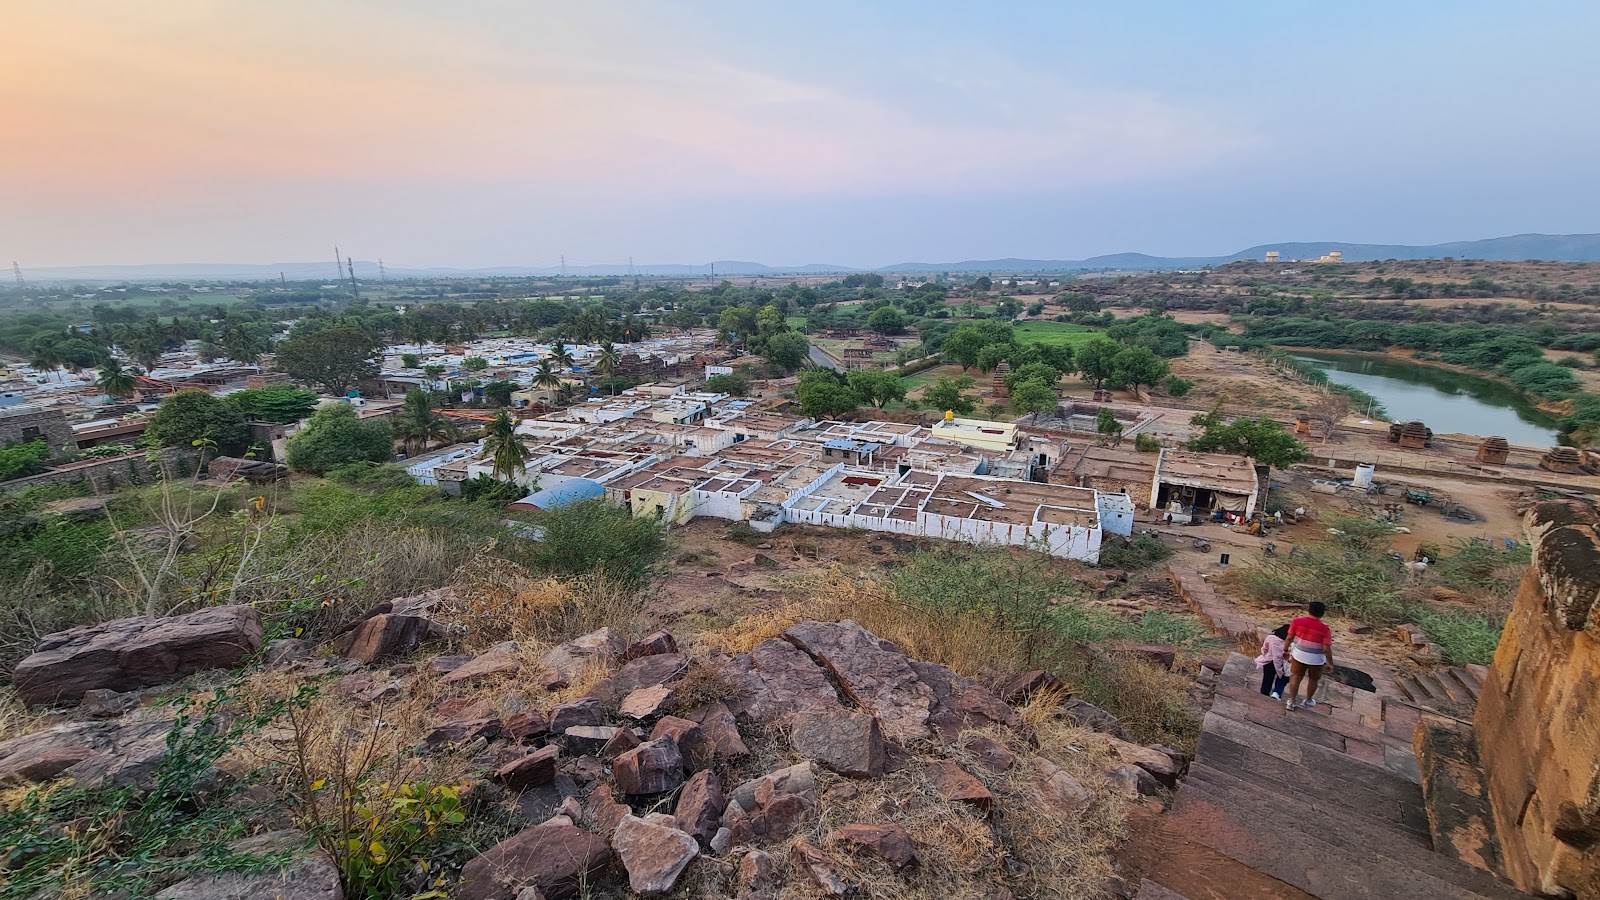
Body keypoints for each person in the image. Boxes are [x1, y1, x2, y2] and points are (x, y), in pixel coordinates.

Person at [1284, 601, 1333, 711]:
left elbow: (1289, 638)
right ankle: (1308, 700)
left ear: (1309, 610)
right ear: (1322, 614)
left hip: (1299, 655)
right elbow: (1326, 649)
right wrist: (1330, 662)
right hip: (1316, 659)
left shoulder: (1297, 621)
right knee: (1313, 679)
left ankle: (1291, 702)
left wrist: (1285, 649)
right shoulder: (1325, 629)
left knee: (1296, 677)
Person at [1256, 624, 1291, 699]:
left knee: (1267, 679)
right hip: (1281, 663)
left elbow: (1264, 648)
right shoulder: (1287, 644)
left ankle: (1264, 693)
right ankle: (1276, 693)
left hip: (1269, 661)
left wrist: (1265, 655)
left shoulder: (1270, 638)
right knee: (1283, 678)